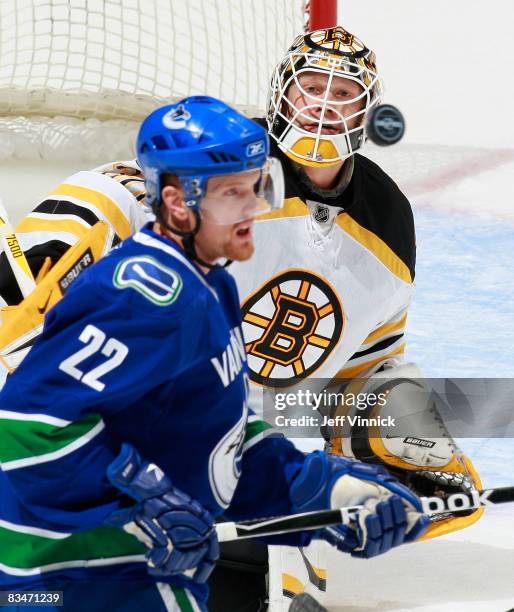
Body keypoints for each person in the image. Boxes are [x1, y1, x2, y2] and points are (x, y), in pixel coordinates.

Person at [0, 27, 482, 610]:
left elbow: (239, 432)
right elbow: (31, 422)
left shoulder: (222, 291)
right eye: (235, 190)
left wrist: (337, 484)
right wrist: (135, 492)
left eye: (256, 188)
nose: (256, 203)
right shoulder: (140, 292)